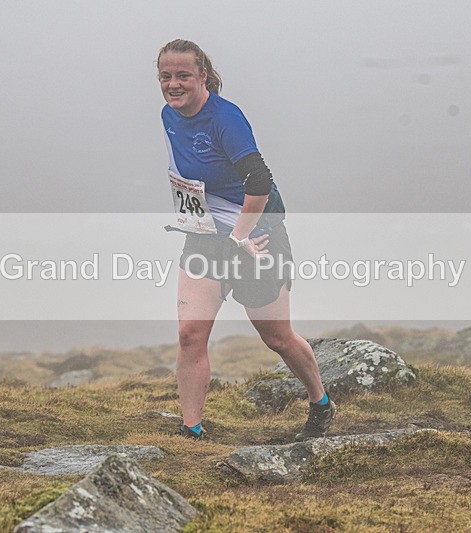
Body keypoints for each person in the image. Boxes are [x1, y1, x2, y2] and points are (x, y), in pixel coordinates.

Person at [157, 39, 335, 442]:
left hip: (256, 238)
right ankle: (191, 430)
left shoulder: (226, 119)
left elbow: (259, 181)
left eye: (183, 75)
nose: (173, 84)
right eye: (166, 76)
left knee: (277, 338)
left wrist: (239, 236)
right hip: (204, 240)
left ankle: (320, 401)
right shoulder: (168, 115)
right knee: (190, 334)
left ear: (203, 76)